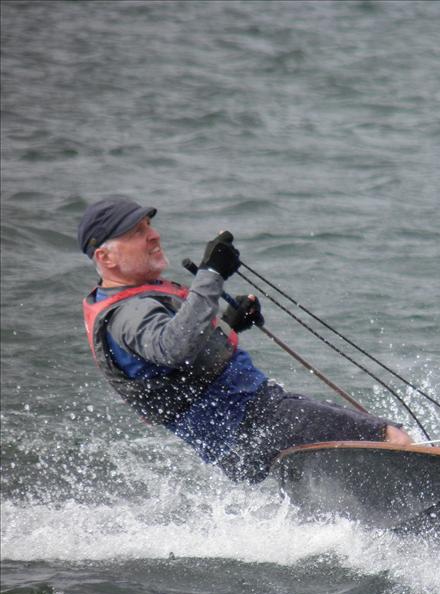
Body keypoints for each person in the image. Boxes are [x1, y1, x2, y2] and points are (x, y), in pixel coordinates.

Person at [79, 195, 412, 483]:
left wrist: (227, 325)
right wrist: (210, 275)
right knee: (390, 438)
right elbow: (172, 348)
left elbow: (176, 369)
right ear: (105, 258)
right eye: (138, 233)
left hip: (238, 444)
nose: (154, 235)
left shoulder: (124, 305)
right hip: (258, 423)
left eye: (149, 226)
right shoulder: (128, 314)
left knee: (356, 456)